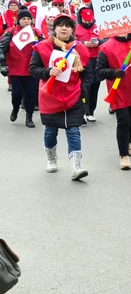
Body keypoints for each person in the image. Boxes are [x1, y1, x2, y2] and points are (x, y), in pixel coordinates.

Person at [29, 14, 90, 180]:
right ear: (54, 29)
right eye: (60, 25)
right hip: (50, 97)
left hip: (73, 96)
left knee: (74, 131)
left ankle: (76, 166)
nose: (64, 28)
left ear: (72, 29)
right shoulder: (42, 47)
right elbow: (33, 69)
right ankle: (52, 158)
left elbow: (87, 73)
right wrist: (48, 71)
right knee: (50, 131)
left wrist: (83, 90)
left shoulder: (80, 49)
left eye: (68, 25)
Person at [96, 32, 131, 170]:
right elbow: (99, 72)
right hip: (118, 91)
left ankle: (127, 141)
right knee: (124, 121)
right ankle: (124, 155)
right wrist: (113, 72)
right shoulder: (106, 47)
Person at [0, 7, 42, 127]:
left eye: (28, 19)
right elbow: (2, 48)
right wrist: (2, 64)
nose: (26, 21)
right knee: (16, 94)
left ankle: (29, 117)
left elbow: (45, 47)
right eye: (23, 19)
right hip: (16, 69)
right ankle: (15, 109)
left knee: (31, 95)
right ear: (18, 20)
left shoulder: (36, 32)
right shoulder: (11, 32)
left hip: (32, 69)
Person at [74, 5, 104, 122]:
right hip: (81, 60)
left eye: (90, 19)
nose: (88, 21)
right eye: (86, 20)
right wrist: (83, 43)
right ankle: (82, 111)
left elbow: (107, 40)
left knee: (95, 85)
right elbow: (71, 41)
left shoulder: (98, 27)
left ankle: (91, 111)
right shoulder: (76, 28)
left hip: (96, 59)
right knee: (84, 86)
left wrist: (98, 42)